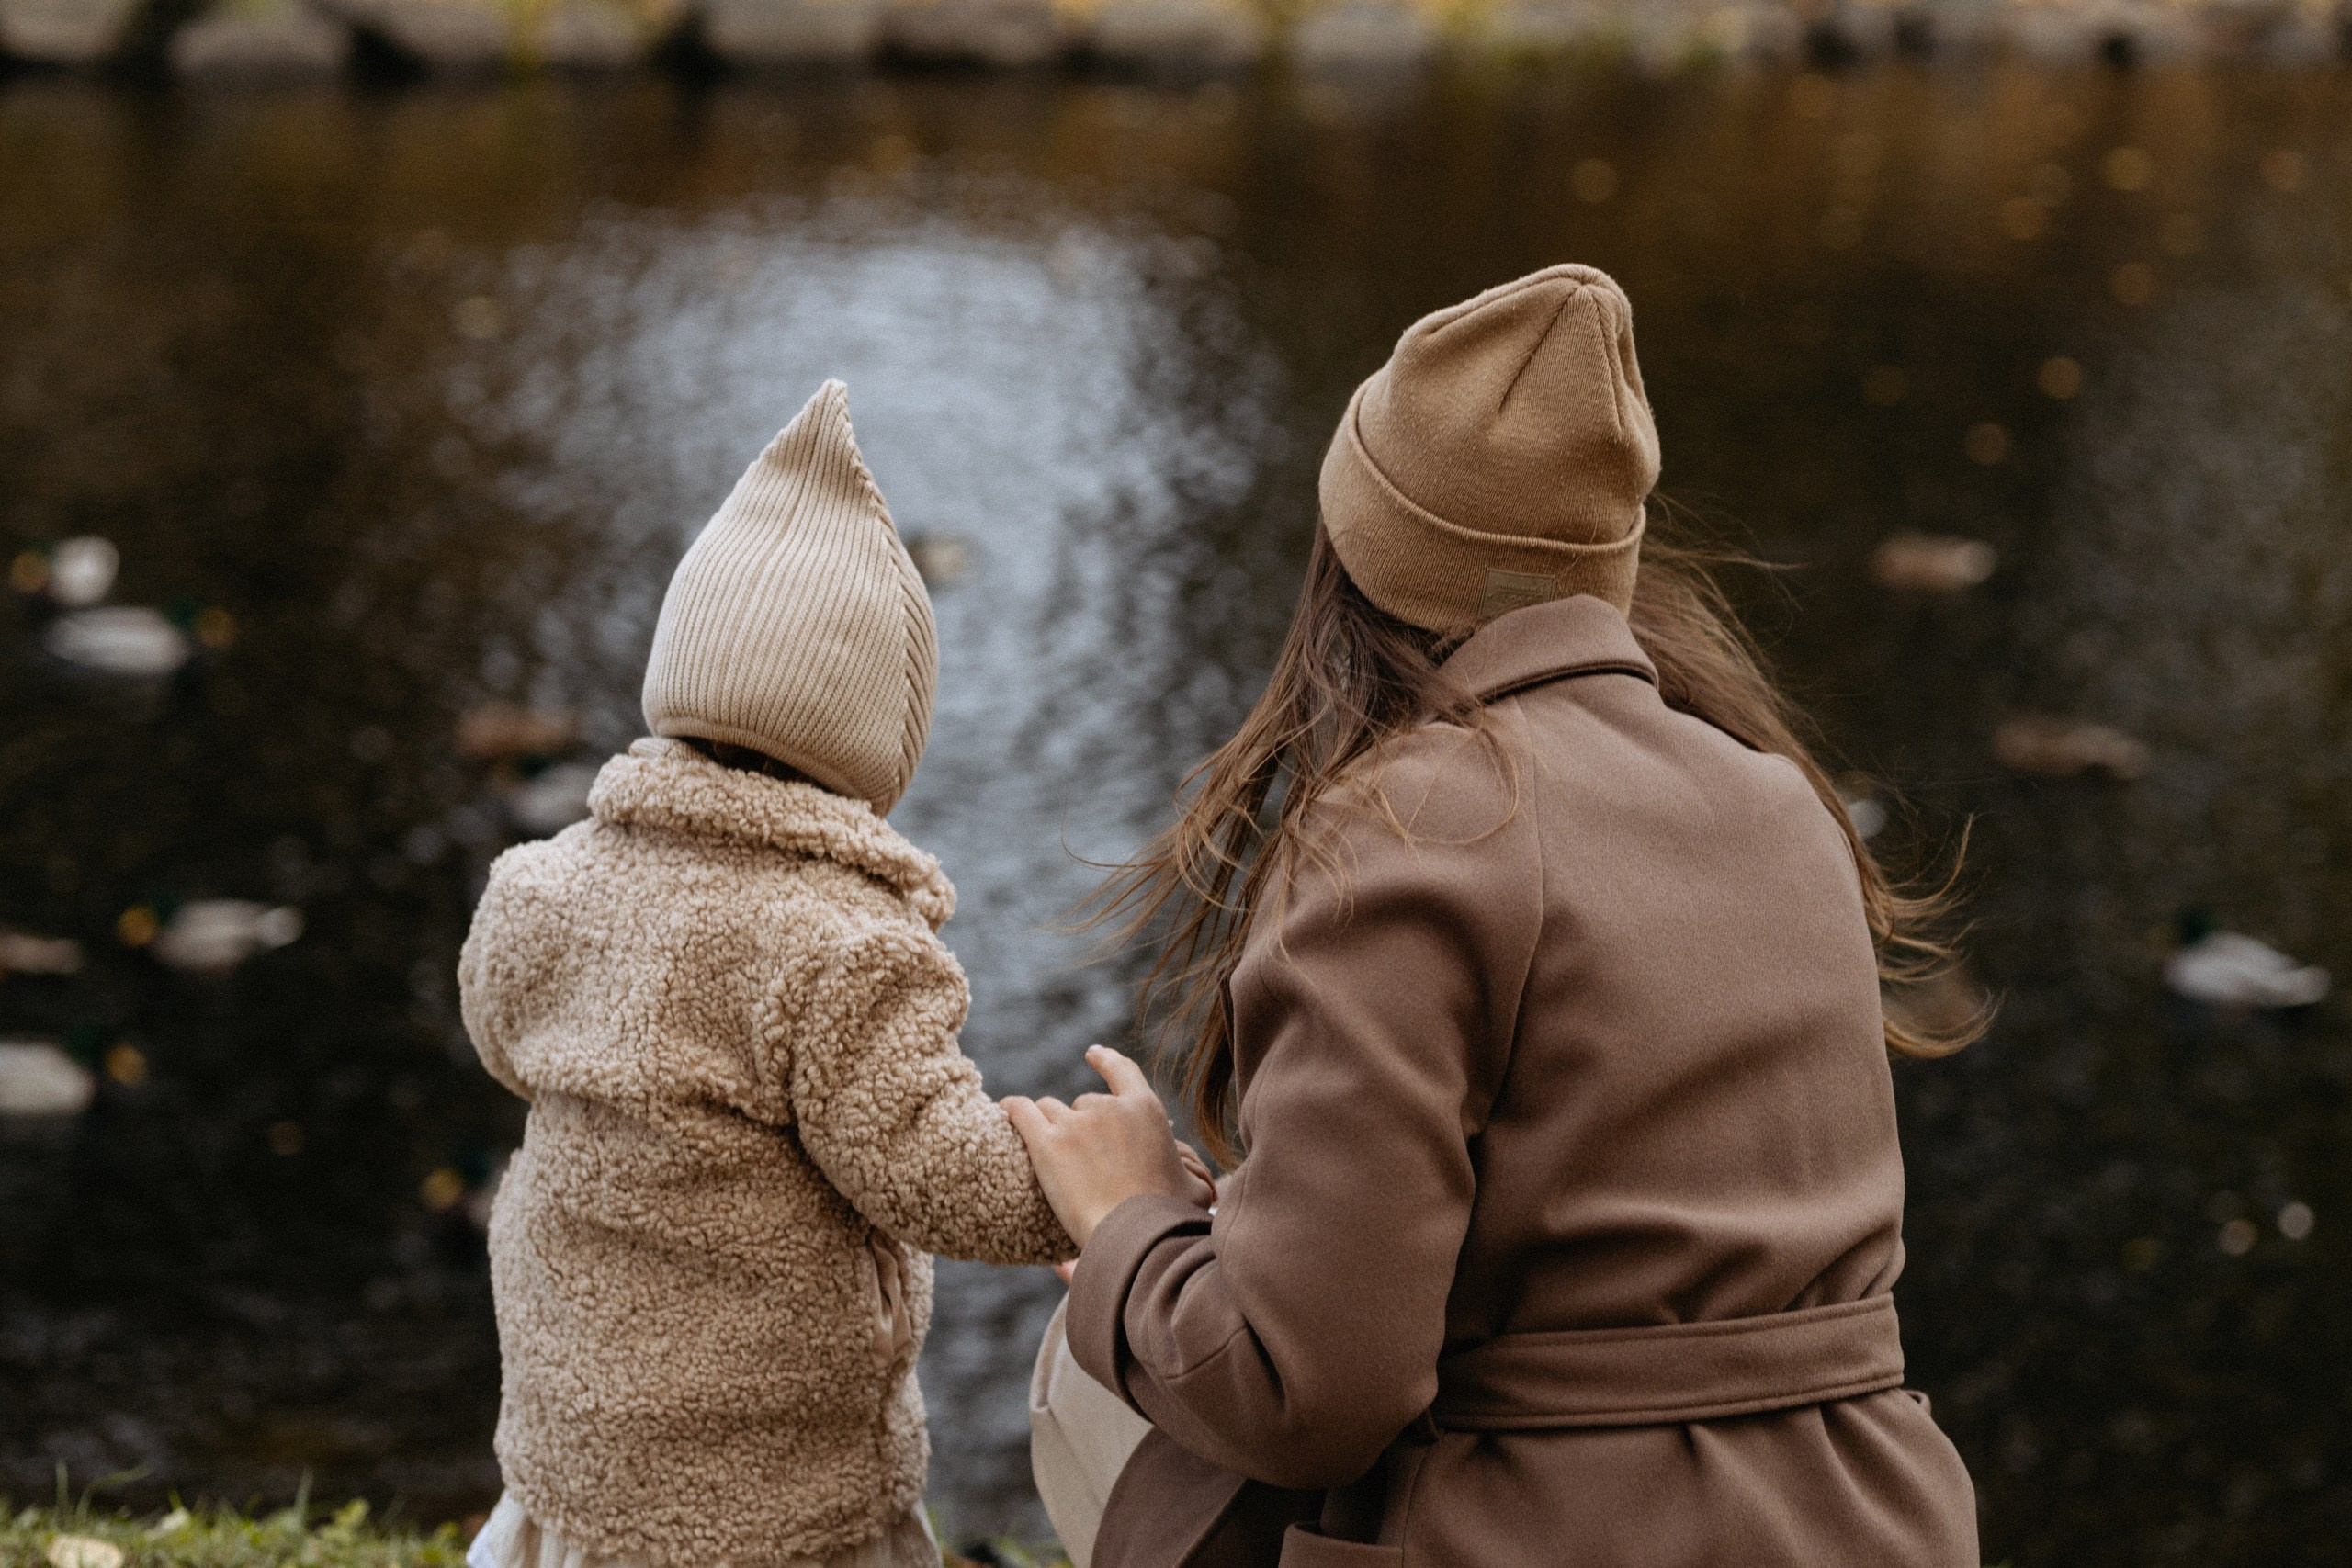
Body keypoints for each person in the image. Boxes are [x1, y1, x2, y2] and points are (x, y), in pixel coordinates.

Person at [1005, 265, 1984, 1568]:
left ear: (1358, 555)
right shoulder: (1780, 799)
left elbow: (1312, 1393)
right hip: (1876, 1525)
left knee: (1082, 1382)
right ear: (1608, 563)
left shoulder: (1407, 832)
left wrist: (1129, 1231)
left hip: (1558, 1540)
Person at [456, 382, 1190, 1568]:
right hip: (769, 1506)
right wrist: (1104, 1192)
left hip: (574, 1476)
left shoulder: (541, 891)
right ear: (878, 739)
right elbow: (934, 1171)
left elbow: (503, 1036)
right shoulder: (841, 954)